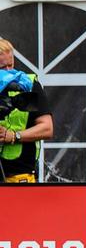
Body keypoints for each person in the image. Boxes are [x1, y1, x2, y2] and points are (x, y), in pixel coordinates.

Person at [0, 38, 54, 182]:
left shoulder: (25, 86)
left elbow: (46, 128)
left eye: (10, 65)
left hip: (19, 175)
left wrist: (14, 136)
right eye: (2, 68)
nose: (8, 72)